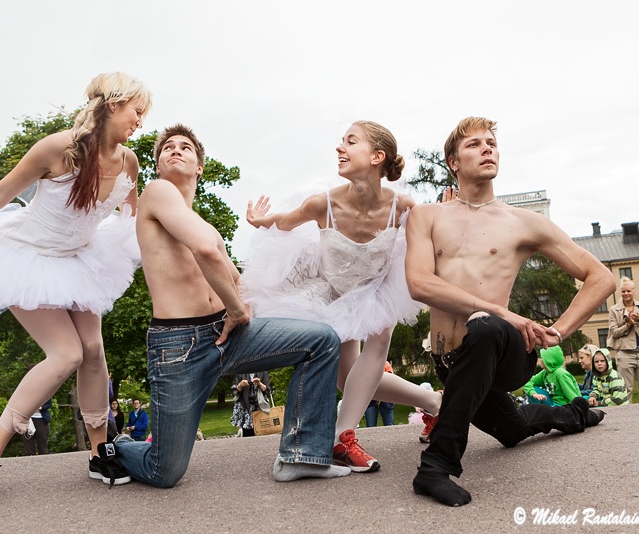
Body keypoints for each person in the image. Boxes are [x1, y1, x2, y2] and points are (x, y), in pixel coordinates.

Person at [0, 72, 151, 505]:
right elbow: (0, 194)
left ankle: (99, 450)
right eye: (137, 110)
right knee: (66, 353)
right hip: (25, 258)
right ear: (112, 104)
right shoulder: (58, 149)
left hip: (79, 259)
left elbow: (132, 219)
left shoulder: (128, 162)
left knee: (93, 349)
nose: (140, 121)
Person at [110, 124, 349, 487]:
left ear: (199, 166)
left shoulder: (206, 225)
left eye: (186, 147)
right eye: (168, 148)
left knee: (321, 341)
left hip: (228, 334)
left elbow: (240, 282)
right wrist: (237, 310)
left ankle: (301, 456)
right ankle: (119, 446)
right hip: (178, 346)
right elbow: (205, 252)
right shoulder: (157, 193)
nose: (176, 150)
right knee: (165, 472)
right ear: (158, 164)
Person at [404, 116, 616, 507]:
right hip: (450, 360)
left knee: (485, 327)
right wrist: (500, 309)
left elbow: (600, 277)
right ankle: (575, 414)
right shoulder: (427, 217)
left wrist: (559, 331)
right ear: (453, 161)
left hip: (505, 352)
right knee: (514, 430)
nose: (487, 148)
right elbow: (419, 283)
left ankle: (435, 466)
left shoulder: (522, 222)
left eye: (491, 143)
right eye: (474, 144)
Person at [243, 120, 441, 473]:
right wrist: (260, 221)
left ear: (378, 156)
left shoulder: (403, 207)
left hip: (376, 288)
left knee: (379, 339)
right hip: (333, 290)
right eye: (341, 142)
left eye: (351, 142)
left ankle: (342, 437)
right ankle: (433, 401)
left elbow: (435, 235)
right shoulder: (323, 204)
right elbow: (285, 221)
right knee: (346, 379)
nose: (340, 148)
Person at [607, 277, 639, 403]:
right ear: (620, 293)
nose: (626, 294)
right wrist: (628, 325)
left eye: (629, 291)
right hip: (625, 354)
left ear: (634, 291)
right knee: (625, 392)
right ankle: (628, 421)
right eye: (623, 291)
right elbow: (614, 333)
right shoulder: (614, 310)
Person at [230, 372, 271, 437]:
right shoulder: (241, 371)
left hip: (260, 409)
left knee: (262, 435)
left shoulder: (263, 371)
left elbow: (268, 391)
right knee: (247, 435)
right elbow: (234, 391)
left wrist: (259, 384)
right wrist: (240, 385)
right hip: (245, 410)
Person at [364, 362, 396, 428]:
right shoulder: (366, 364)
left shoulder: (385, 364)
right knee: (370, 426)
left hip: (386, 399)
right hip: (371, 399)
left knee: (389, 425)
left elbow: (390, 380)